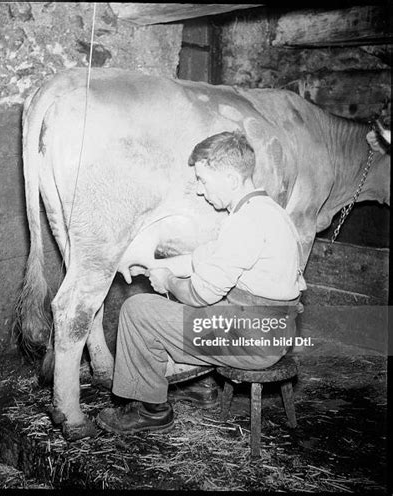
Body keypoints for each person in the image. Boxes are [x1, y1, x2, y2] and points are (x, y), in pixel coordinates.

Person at [96, 130, 306, 435]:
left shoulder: (245, 222)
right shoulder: (267, 212)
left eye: (203, 180)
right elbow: (203, 259)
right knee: (169, 309)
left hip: (250, 341)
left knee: (138, 309)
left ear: (232, 180)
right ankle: (179, 382)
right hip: (272, 331)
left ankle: (151, 411)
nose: (199, 190)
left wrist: (168, 281)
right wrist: (152, 264)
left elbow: (199, 294)